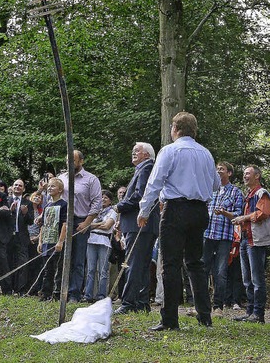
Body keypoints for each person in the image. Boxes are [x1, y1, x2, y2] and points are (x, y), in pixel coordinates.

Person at [138, 112, 220, 331]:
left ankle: (170, 320)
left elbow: (155, 183)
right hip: (200, 210)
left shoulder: (170, 151)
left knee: (171, 264)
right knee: (195, 262)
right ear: (194, 130)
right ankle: (205, 315)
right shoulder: (206, 153)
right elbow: (215, 185)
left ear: (175, 128)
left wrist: (144, 210)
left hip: (176, 210)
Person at [114, 142, 158, 314]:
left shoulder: (146, 168)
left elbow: (140, 195)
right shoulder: (143, 169)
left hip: (139, 224)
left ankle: (129, 303)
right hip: (142, 224)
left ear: (146, 155)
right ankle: (141, 302)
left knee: (132, 263)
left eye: (137, 150)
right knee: (142, 264)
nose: (133, 152)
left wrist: (120, 206)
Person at [58, 150, 102, 302]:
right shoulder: (61, 178)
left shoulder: (91, 179)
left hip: (80, 221)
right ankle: (59, 290)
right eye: (67, 160)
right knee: (62, 257)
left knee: (77, 260)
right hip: (63, 221)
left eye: (73, 160)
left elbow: (97, 203)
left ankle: (74, 294)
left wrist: (87, 223)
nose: (69, 163)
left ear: (81, 161)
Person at [202, 162, 244, 317]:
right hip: (207, 235)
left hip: (225, 237)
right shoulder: (210, 189)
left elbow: (239, 214)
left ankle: (218, 306)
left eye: (222, 169)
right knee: (202, 270)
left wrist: (225, 213)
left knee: (220, 272)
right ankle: (202, 305)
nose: (218, 171)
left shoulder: (236, 192)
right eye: (217, 169)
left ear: (230, 173)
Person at [231, 165, 270, 323]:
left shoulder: (261, 193)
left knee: (256, 279)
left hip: (257, 241)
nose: (245, 176)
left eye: (248, 173)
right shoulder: (248, 195)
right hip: (245, 239)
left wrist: (244, 218)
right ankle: (250, 311)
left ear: (257, 176)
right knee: (247, 279)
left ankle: (258, 314)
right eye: (244, 173)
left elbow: (264, 213)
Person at [84, 189, 117, 302]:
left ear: (110, 201)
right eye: (101, 197)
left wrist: (93, 225)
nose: (103, 199)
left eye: (106, 198)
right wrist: (99, 223)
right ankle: (88, 295)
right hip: (91, 240)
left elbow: (107, 226)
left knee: (103, 270)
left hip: (104, 241)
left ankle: (101, 295)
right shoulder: (94, 211)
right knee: (90, 269)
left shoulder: (112, 212)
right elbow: (87, 225)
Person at [37, 178, 67, 301]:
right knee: (46, 268)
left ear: (60, 190)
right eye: (48, 186)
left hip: (57, 241)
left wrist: (60, 241)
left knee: (58, 268)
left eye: (53, 186)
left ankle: (57, 293)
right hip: (46, 241)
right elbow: (43, 224)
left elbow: (65, 224)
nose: (49, 188)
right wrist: (40, 241)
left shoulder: (64, 204)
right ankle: (45, 293)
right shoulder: (47, 205)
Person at [6, 179, 34, 294]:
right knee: (8, 262)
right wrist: (10, 211)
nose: (17, 187)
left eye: (20, 185)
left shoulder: (28, 203)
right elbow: (1, 218)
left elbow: (31, 221)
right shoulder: (6, 200)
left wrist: (25, 213)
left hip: (21, 236)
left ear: (23, 189)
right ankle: (8, 288)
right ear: (12, 187)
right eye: (15, 185)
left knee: (23, 262)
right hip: (7, 236)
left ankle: (21, 289)